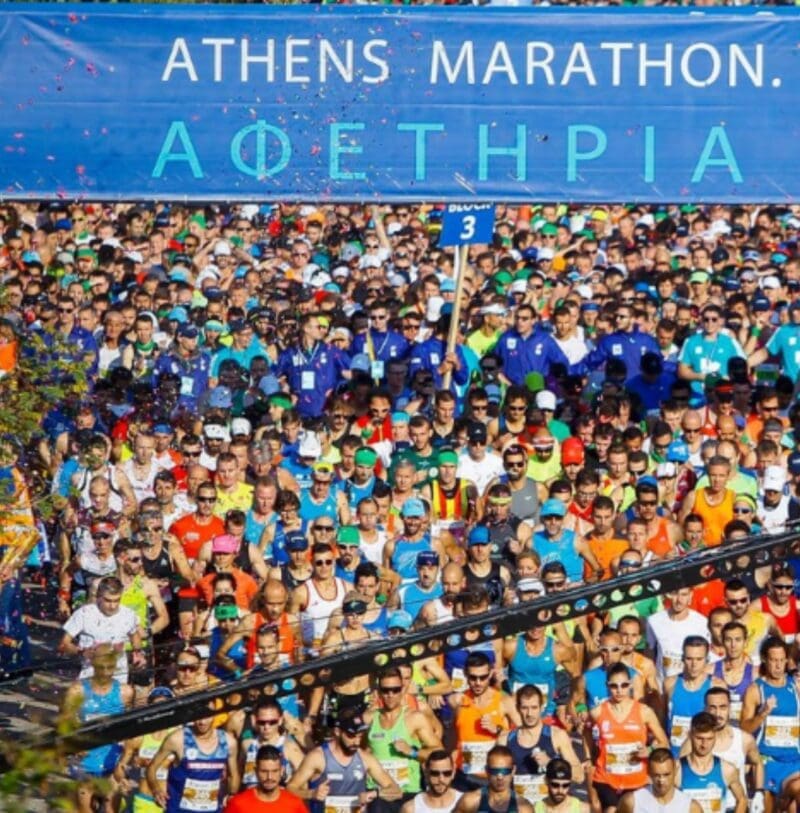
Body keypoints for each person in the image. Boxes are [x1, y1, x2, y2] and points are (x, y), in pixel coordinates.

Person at [287, 709, 402, 812]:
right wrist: (311, 794)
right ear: (337, 732)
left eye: (360, 736)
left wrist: (375, 793)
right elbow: (291, 788)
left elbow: (396, 790)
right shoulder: (317, 757)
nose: (356, 742)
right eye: (351, 736)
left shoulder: (365, 758)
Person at [147, 715, 239, 813]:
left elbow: (233, 775)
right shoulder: (177, 739)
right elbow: (152, 767)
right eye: (198, 717)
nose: (202, 722)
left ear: (214, 716)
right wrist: (155, 789)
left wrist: (232, 794)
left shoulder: (228, 742)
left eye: (207, 717)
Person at [674, 712, 747, 813]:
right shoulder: (677, 769)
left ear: (715, 736)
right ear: (690, 735)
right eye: (699, 738)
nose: (704, 745)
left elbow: (742, 799)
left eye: (709, 739)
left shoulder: (727, 769)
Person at [223, 744, 307, 813]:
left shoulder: (294, 804)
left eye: (274, 771)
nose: (269, 777)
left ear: (281, 771)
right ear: (256, 771)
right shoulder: (238, 804)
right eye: (264, 771)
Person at [454, 745, 535, 813]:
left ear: (513, 771)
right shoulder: (470, 801)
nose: (500, 777)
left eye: (505, 771)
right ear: (487, 771)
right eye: (495, 771)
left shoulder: (523, 808)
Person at [617, 750, 701, 813]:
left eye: (666, 774)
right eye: (656, 775)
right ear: (649, 772)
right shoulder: (632, 802)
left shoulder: (690, 807)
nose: (661, 780)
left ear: (675, 771)